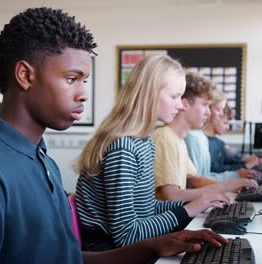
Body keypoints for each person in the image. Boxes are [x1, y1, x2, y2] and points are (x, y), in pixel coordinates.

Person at [0, 7, 227, 264]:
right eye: (71, 79)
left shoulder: (41, 161)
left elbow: (67, 258)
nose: (84, 94)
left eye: (84, 81)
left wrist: (153, 245)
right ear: (25, 75)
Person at [75, 55, 228, 252]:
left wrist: (195, 204)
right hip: (114, 253)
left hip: (130, 248)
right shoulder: (123, 148)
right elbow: (127, 235)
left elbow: (145, 209)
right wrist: (188, 210)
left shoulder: (144, 142)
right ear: (149, 94)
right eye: (174, 97)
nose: (181, 105)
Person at [152, 72, 258, 203]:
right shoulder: (164, 138)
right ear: (185, 104)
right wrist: (219, 190)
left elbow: (196, 179)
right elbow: (172, 196)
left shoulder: (178, 140)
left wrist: (231, 184)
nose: (208, 112)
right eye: (204, 105)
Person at [204, 105, 262, 174]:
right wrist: (245, 166)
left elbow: (227, 160)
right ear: (214, 119)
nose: (228, 127)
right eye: (225, 123)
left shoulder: (218, 142)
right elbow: (215, 169)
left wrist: (244, 161)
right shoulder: (204, 142)